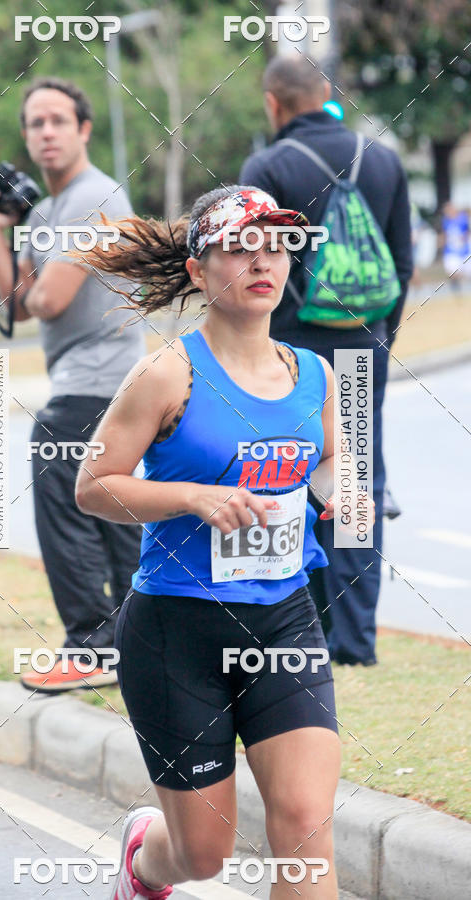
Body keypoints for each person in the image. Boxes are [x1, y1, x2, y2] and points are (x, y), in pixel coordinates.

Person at [75, 186, 371, 898]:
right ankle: (145, 859)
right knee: (203, 853)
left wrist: (343, 495)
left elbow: (329, 458)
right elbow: (92, 485)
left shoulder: (315, 374)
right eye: (240, 247)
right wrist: (191, 498)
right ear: (201, 272)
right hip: (177, 631)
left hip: (283, 619)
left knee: (304, 824)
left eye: (274, 247)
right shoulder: (166, 373)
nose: (262, 261)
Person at [239, 55, 413, 666]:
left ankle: (305, 635)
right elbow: (401, 263)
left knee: (290, 478)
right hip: (364, 348)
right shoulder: (383, 159)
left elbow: (251, 265)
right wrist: (377, 337)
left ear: (274, 103)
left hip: (293, 351)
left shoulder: (266, 167)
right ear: (328, 96)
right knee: (357, 482)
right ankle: (356, 643)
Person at [0, 76, 145, 692]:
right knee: (111, 510)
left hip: (97, 380)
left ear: (83, 129)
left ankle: (92, 645)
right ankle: (133, 641)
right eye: (34, 123)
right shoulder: (53, 209)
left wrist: (30, 237)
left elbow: (46, 299)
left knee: (69, 497)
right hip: (107, 382)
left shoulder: (93, 196)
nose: (45, 132)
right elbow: (15, 307)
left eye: (57, 120)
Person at [440, 201, 471, 286]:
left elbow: (467, 232)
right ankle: (456, 288)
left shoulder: (463, 219)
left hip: (464, 250)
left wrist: (463, 238)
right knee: (452, 272)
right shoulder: (445, 221)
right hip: (451, 251)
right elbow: (444, 234)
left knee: (466, 272)